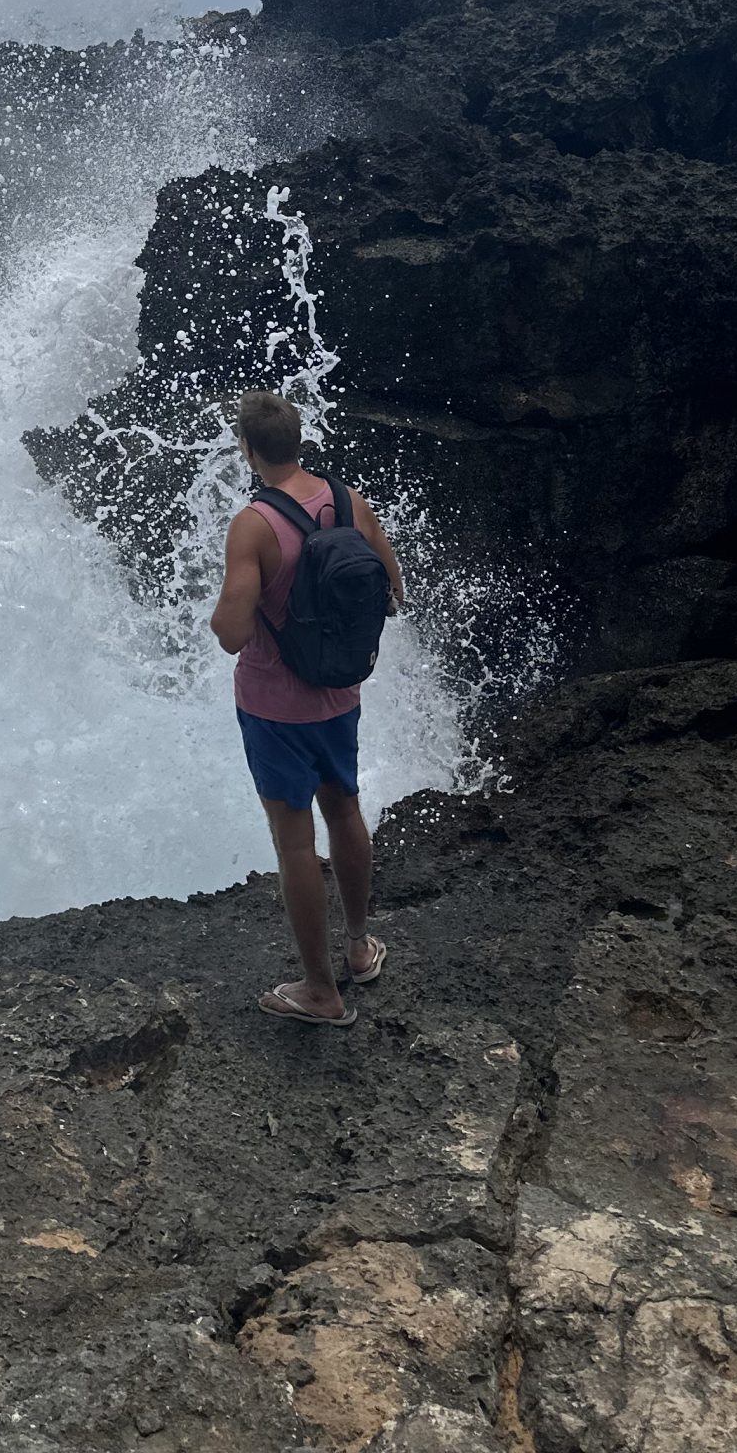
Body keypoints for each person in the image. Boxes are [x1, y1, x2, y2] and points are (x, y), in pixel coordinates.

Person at [211, 389, 405, 1026]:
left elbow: (232, 632)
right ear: (300, 439)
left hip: (275, 708)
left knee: (295, 844)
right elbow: (394, 591)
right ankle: (359, 948)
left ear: (248, 449)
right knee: (344, 809)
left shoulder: (254, 524)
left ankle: (321, 992)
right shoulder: (348, 501)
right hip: (339, 696)